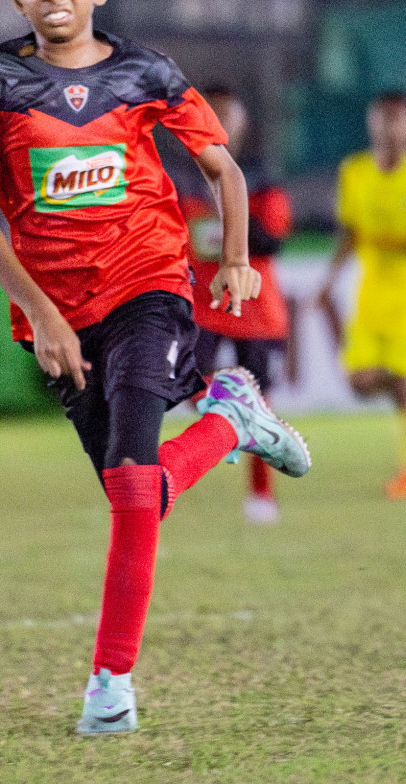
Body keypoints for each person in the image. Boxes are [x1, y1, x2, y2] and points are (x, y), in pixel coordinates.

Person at [0, 0, 311, 736]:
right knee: (139, 492)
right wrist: (40, 312)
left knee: (128, 493)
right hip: (58, 314)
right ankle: (230, 421)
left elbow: (219, 167)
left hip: (149, 283)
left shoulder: (148, 74)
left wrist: (233, 259)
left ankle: (109, 687)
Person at [317, 91, 406, 499]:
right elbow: (351, 233)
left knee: (403, 384)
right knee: (359, 383)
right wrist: (329, 280)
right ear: (371, 123)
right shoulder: (355, 171)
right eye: (384, 119)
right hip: (374, 294)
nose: (391, 127)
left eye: (399, 119)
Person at [178, 86, 294, 524]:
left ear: (244, 123)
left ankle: (262, 494)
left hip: (256, 307)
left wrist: (221, 231)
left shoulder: (262, 179)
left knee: (261, 402)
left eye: (229, 115)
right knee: (190, 387)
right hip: (203, 306)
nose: (221, 124)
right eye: (213, 114)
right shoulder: (179, 178)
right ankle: (237, 415)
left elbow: (272, 239)